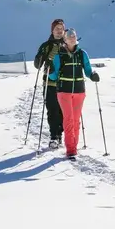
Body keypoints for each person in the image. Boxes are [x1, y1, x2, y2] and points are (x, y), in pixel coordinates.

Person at [49, 28, 99, 159]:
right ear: (64, 39)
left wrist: (93, 75)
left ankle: (74, 146)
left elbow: (88, 70)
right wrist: (49, 72)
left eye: (74, 35)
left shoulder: (82, 54)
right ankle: (71, 149)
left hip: (79, 91)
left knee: (76, 120)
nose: (72, 37)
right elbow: (54, 76)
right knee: (69, 118)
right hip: (63, 91)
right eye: (69, 36)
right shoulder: (59, 55)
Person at [34, 19, 66, 148]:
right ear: (52, 30)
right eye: (56, 28)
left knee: (63, 111)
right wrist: (40, 57)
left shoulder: (67, 44)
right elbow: (37, 65)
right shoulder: (46, 46)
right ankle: (54, 136)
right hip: (50, 83)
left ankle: (60, 135)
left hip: (65, 83)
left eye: (61, 28)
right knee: (52, 111)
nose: (59, 31)